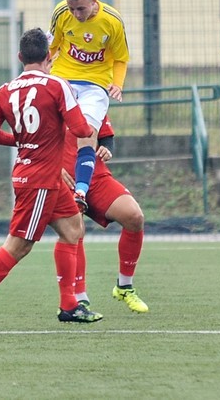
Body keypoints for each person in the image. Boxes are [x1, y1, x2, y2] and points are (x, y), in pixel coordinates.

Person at [0, 27, 103, 332]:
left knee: (73, 229)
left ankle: (69, 306)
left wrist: (20, 141)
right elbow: (79, 129)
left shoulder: (4, 90)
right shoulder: (58, 86)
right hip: (38, 181)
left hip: (43, 177)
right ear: (49, 57)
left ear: (21, 57)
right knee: (19, 246)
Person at [48, 0, 131, 213]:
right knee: (46, 126)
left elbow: (121, 58)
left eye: (81, 9)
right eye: (72, 8)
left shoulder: (112, 21)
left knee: (86, 132)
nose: (76, 14)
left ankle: (81, 191)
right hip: (63, 77)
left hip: (95, 84)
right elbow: (53, 45)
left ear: (94, 0)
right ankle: (47, 173)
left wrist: (117, 84)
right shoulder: (61, 13)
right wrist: (39, 64)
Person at [60, 116, 149, 314]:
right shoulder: (52, 95)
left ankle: (124, 287)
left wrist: (107, 148)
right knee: (75, 231)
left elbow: (106, 135)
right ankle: (79, 297)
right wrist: (53, 168)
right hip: (65, 178)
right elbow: (33, 142)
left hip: (97, 177)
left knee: (134, 217)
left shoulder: (94, 93)